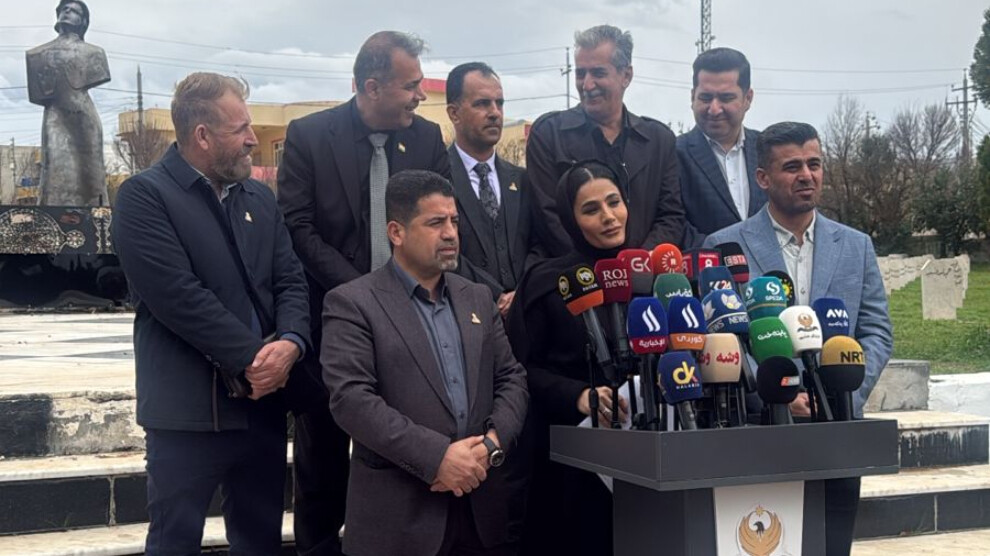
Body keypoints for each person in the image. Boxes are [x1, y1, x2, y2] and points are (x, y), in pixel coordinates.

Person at [110, 72, 314, 554]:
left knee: (261, 542)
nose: (252, 139)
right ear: (202, 135)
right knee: (174, 542)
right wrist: (255, 360)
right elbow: (177, 296)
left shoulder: (258, 198)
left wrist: (291, 343)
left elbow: (290, 280)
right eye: (240, 129)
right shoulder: (144, 196)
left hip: (262, 408)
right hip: (187, 414)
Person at [277, 31, 451, 554]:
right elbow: (298, 226)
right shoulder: (309, 136)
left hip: (413, 328)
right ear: (372, 87)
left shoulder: (426, 140)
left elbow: (441, 226)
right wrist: (364, 294)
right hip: (332, 324)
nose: (419, 95)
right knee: (322, 465)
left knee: (408, 457)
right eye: (411, 85)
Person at [705, 121, 893, 556]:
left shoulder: (856, 246)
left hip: (838, 430)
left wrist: (843, 392)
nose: (807, 175)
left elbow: (876, 331)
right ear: (763, 178)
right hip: (759, 430)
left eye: (814, 164)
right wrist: (776, 392)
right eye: (792, 167)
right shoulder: (724, 247)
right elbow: (722, 337)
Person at [321, 169, 528, 556]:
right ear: (396, 232)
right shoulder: (352, 303)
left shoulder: (477, 297)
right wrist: (438, 459)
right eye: (435, 223)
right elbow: (351, 400)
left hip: (481, 514)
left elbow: (511, 379)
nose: (450, 234)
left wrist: (490, 445)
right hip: (399, 522)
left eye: (454, 221)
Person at [505, 161, 632, 556]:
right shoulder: (546, 283)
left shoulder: (652, 276)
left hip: (647, 459)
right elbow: (516, 370)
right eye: (591, 209)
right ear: (570, 220)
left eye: (614, 202)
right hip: (570, 469)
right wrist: (576, 395)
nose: (608, 217)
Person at [525, 24, 684, 256]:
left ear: (626, 75)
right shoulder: (549, 134)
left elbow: (671, 216)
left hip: (646, 272)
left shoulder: (659, 140)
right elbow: (547, 218)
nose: (587, 85)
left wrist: (637, 263)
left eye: (598, 73)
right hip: (575, 275)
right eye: (580, 73)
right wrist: (600, 270)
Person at [445, 62, 541, 316]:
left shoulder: (523, 180)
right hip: (463, 317)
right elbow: (441, 252)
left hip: (525, 316)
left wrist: (522, 293)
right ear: (454, 113)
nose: (495, 113)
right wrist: (495, 297)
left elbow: (540, 243)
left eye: (499, 103)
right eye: (482, 104)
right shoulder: (437, 179)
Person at [678, 47, 766, 249]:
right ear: (692, 97)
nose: (714, 109)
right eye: (705, 98)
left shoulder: (767, 150)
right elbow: (675, 224)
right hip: (704, 266)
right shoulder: (673, 154)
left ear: (748, 98)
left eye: (726, 98)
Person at [26, 0, 110, 206]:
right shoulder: (36, 55)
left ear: (83, 21)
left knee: (92, 177)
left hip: (85, 118)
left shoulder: (95, 53)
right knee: (54, 169)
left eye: (74, 11)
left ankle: (97, 220)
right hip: (55, 117)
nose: (67, 12)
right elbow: (37, 94)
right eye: (64, 9)